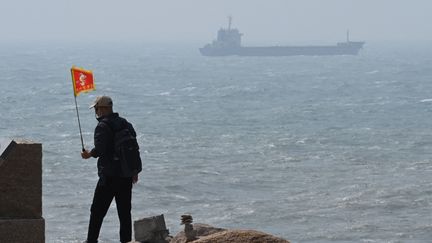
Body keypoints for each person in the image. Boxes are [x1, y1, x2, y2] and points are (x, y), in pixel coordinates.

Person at [81, 95, 140, 243]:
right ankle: (126, 241)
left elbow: (100, 150)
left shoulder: (102, 126)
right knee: (124, 213)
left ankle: (91, 241)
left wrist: (89, 154)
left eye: (96, 108)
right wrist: (134, 171)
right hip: (126, 176)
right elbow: (133, 148)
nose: (96, 111)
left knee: (97, 212)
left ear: (102, 109)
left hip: (109, 177)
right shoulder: (125, 123)